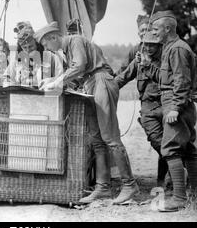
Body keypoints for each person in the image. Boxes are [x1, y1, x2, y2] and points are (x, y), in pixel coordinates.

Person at [34, 21, 139, 205]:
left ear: (53, 37)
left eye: (45, 44)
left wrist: (58, 81)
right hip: (90, 84)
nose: (47, 48)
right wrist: (53, 79)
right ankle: (102, 187)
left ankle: (129, 185)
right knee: (97, 140)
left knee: (110, 138)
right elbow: (75, 73)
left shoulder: (75, 40)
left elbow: (80, 66)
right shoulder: (66, 51)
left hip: (101, 81)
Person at [141, 10, 197, 212]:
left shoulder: (178, 49)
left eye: (156, 29)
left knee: (171, 149)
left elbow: (182, 81)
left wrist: (175, 107)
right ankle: (193, 195)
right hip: (176, 104)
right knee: (188, 150)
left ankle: (180, 198)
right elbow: (168, 79)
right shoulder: (170, 48)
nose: (154, 33)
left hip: (177, 106)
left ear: (167, 28)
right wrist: (147, 66)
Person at [115, 31, 169, 188]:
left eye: (153, 45)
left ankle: (164, 181)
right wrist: (107, 86)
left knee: (169, 143)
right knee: (156, 141)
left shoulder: (166, 59)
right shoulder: (139, 59)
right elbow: (123, 77)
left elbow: (166, 79)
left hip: (165, 105)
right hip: (147, 107)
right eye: (146, 45)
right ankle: (177, 169)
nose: (149, 48)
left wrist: (148, 66)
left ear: (160, 46)